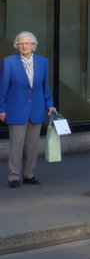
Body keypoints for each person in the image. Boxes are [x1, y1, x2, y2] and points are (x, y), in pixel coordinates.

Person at [0, 31, 56, 188]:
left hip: (36, 109)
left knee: (33, 146)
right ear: (17, 46)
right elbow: (3, 88)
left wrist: (49, 105)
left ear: (34, 46)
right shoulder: (9, 62)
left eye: (27, 43)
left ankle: (29, 174)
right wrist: (1, 109)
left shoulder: (43, 62)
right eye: (21, 43)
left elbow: (45, 87)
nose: (24, 46)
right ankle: (13, 177)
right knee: (16, 145)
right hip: (16, 109)